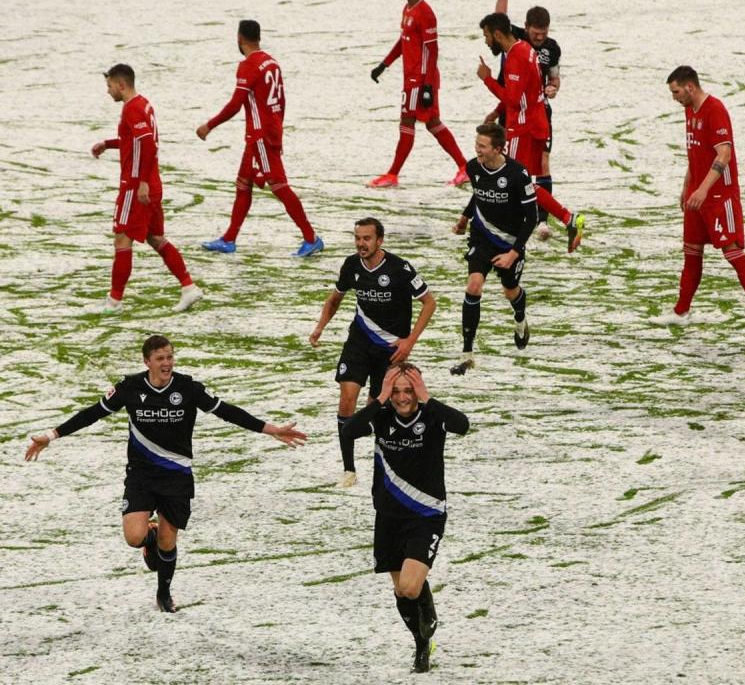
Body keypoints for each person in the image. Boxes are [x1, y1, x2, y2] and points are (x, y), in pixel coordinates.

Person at [25, 335, 307, 612]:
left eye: (170, 357)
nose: (167, 363)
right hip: (141, 475)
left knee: (168, 542)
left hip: (177, 476)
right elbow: (92, 413)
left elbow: (227, 412)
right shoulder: (130, 387)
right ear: (146, 361)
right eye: (160, 358)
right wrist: (51, 435)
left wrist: (270, 429)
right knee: (133, 537)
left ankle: (164, 593)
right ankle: (149, 536)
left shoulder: (187, 388)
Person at [341, 362, 469, 673]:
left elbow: (462, 424)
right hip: (388, 516)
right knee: (400, 590)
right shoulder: (382, 417)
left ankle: (427, 613)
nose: (402, 397)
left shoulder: (432, 417)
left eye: (407, 390)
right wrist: (379, 399)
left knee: (411, 588)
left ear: (418, 390)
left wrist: (428, 398)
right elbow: (348, 430)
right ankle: (421, 644)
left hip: (426, 514)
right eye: (396, 391)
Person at [309, 217, 436, 488]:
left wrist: (410, 341)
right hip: (359, 342)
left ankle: (387, 466)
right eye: (357, 238)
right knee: (346, 399)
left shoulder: (399, 268)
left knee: (374, 412)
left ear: (380, 240)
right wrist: (320, 327)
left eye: (366, 239)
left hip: (390, 351)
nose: (361, 244)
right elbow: (334, 299)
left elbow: (429, 303)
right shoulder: (351, 265)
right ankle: (348, 471)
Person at [650, 66, 745, 332]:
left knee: (733, 252)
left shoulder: (715, 110)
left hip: (718, 196)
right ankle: (681, 311)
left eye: (676, 92)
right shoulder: (689, 110)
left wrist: (703, 190)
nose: (674, 98)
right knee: (691, 254)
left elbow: (723, 155)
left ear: (690, 87)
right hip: (697, 195)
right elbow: (695, 153)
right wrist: (687, 186)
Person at [196, 20, 324, 257]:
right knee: (243, 184)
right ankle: (229, 239)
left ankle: (311, 237)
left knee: (279, 186)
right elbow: (281, 101)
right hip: (267, 132)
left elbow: (236, 104)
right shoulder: (272, 62)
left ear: (239, 37)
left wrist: (209, 125)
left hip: (260, 136)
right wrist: (278, 129)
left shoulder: (248, 65)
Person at [91, 64, 202, 314]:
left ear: (121, 85)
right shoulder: (143, 104)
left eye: (109, 86)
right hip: (152, 184)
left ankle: (114, 301)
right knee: (155, 238)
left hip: (136, 186)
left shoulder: (132, 109)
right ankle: (188, 287)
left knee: (122, 238)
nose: (108, 92)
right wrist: (108, 144)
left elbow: (148, 145)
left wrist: (140, 182)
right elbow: (136, 141)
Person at [477, 12, 585, 254]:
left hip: (522, 128)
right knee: (523, 182)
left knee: (517, 180)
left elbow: (514, 100)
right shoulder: (526, 49)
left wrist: (488, 80)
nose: (485, 42)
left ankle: (567, 218)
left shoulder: (516, 57)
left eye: (486, 36)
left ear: (496, 34)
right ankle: (560, 220)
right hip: (537, 123)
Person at [367, 0, 469, 188]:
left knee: (408, 122)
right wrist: (384, 65)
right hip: (412, 79)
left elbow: (432, 52)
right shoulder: (408, 9)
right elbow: (404, 41)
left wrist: (427, 87)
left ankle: (392, 174)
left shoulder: (426, 13)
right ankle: (463, 167)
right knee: (432, 123)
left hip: (420, 80)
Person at [449, 123, 538, 375]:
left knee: (510, 291)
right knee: (473, 285)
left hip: (510, 241)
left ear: (498, 149)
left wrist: (514, 252)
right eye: (476, 144)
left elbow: (530, 218)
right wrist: (465, 218)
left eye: (482, 146)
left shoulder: (518, 174)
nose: (477, 149)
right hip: (482, 236)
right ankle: (467, 353)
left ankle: (520, 318)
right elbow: (478, 193)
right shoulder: (473, 166)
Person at [491, 0, 562, 241]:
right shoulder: (515, 38)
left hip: (539, 111)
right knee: (508, 163)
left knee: (542, 164)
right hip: (511, 109)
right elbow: (498, 18)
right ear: (526, 27)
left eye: (543, 33)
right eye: (536, 33)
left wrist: (554, 87)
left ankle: (543, 221)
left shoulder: (552, 48)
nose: (540, 37)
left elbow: (555, 76)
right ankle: (511, 211)